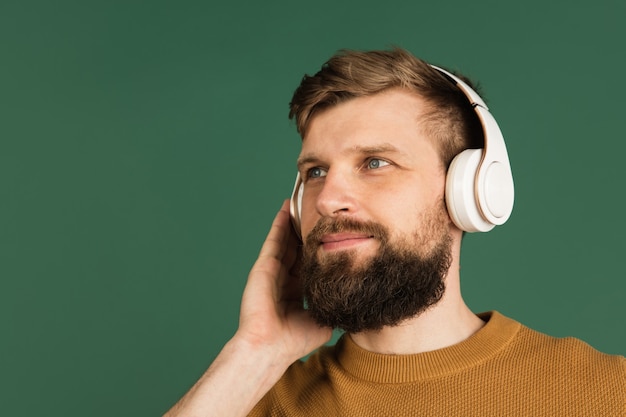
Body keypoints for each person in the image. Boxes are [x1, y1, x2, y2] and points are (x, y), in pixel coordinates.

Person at [164, 48, 625, 416]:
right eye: (316, 171)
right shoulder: (246, 400)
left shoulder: (606, 394)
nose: (327, 200)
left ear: (470, 190)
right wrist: (255, 354)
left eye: (375, 163)